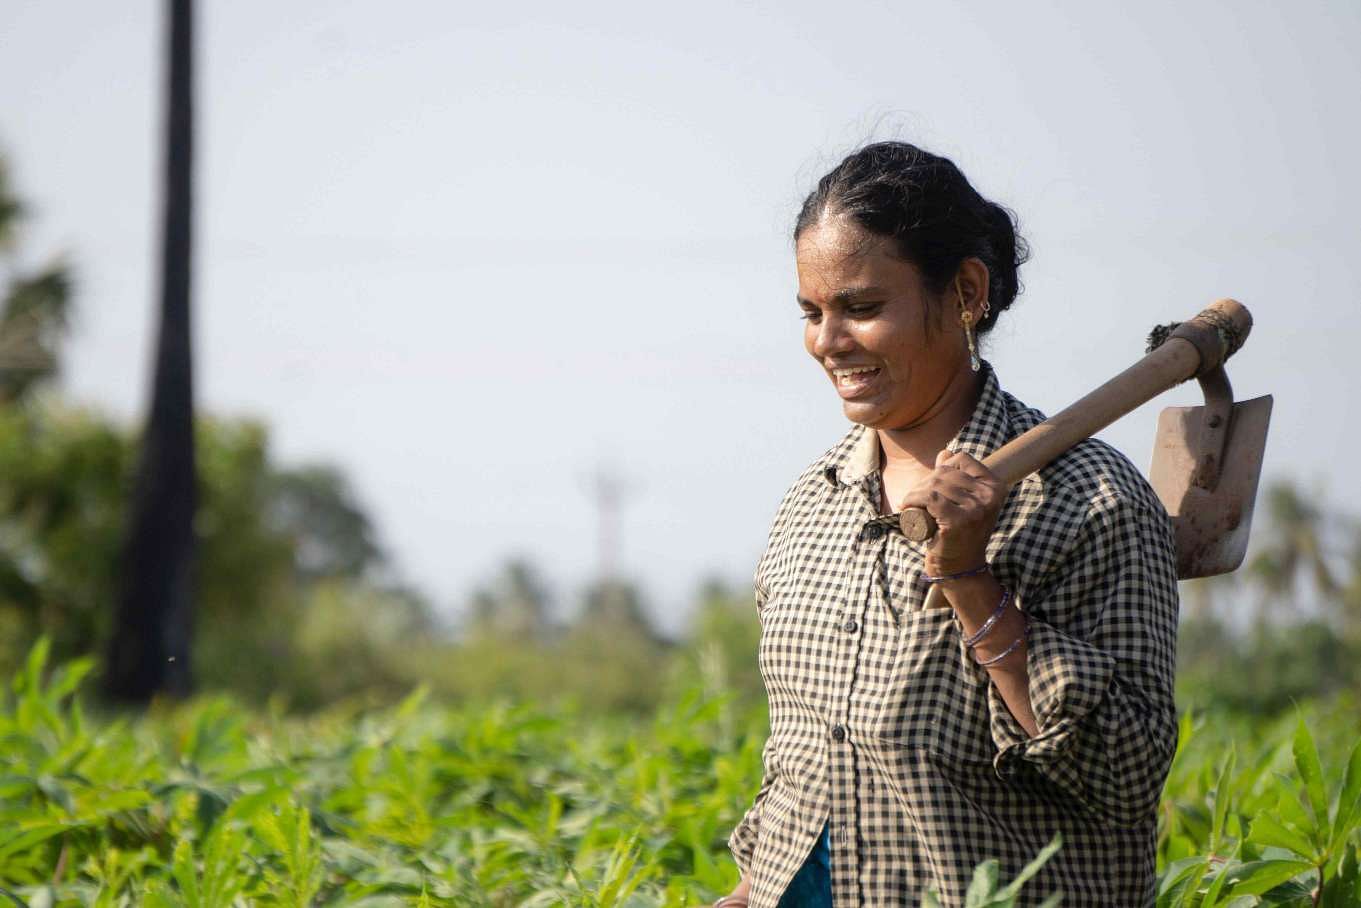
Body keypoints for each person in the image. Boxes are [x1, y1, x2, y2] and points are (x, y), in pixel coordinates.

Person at [713, 142, 1180, 907]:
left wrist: (967, 577)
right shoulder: (813, 501)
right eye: (811, 312)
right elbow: (802, 766)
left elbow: (1122, 776)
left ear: (965, 292)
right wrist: (752, 889)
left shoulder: (1087, 499)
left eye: (861, 308)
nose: (827, 342)